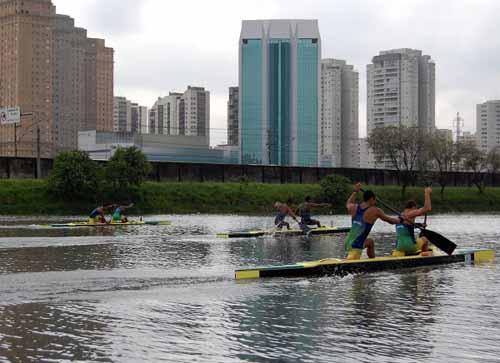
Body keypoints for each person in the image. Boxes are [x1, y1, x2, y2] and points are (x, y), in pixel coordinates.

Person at [344, 183, 403, 260]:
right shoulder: (375, 210)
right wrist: (401, 219)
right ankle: (372, 265)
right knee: (360, 246)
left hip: (347, 243)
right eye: (375, 199)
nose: (375, 202)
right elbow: (391, 221)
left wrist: (355, 192)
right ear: (371, 199)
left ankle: (372, 261)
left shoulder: (353, 207)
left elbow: (348, 203)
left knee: (370, 242)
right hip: (356, 246)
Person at [393, 187, 432, 257]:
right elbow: (427, 208)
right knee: (425, 239)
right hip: (410, 246)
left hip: (399, 247)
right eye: (416, 209)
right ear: (413, 207)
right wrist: (427, 193)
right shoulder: (411, 213)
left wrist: (420, 225)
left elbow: (407, 226)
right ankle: (424, 255)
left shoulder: (400, 217)